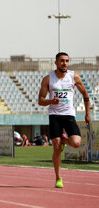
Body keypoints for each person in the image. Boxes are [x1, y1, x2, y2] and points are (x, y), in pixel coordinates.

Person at [38, 52, 90, 188]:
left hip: (69, 115)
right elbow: (40, 100)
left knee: (76, 143)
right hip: (54, 115)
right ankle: (58, 178)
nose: (64, 63)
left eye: (67, 61)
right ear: (56, 63)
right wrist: (51, 101)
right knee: (56, 146)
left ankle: (64, 141)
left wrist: (87, 113)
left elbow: (85, 94)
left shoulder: (74, 77)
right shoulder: (48, 79)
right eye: (62, 61)